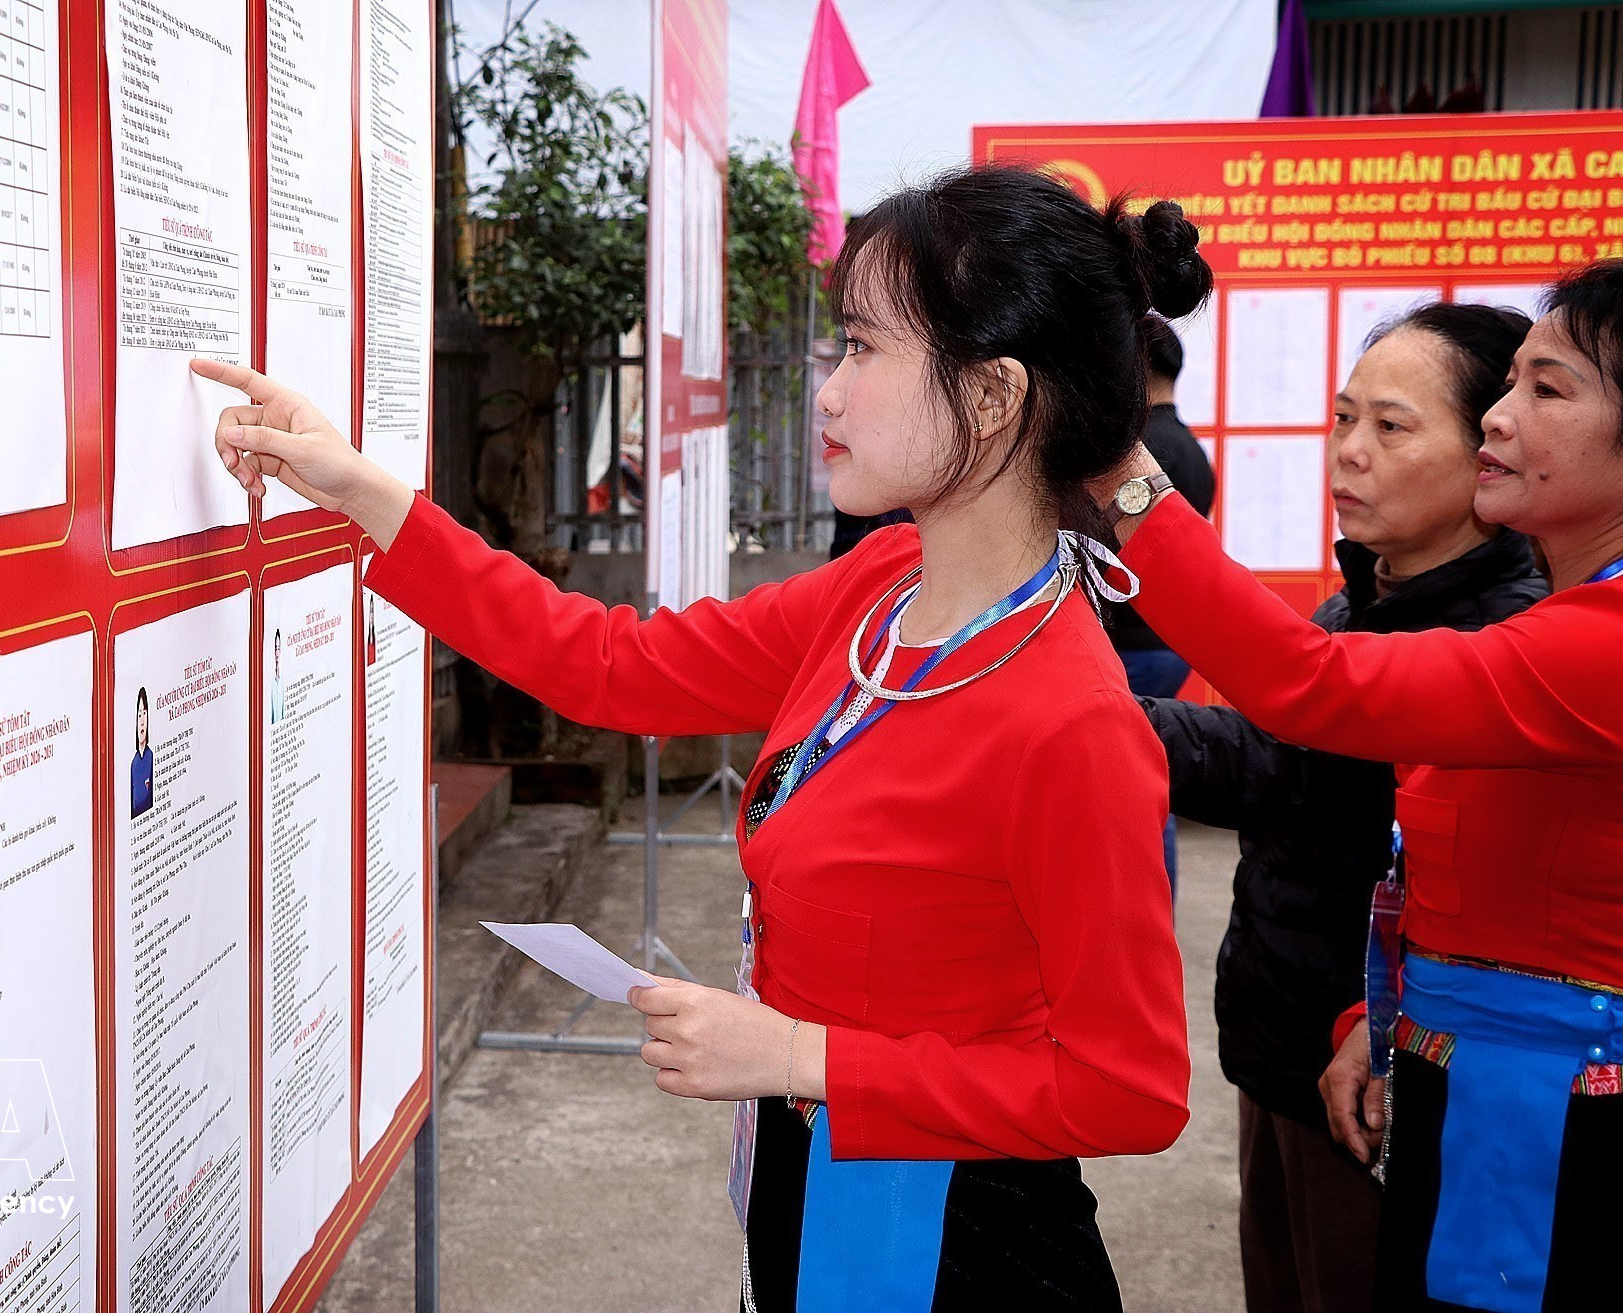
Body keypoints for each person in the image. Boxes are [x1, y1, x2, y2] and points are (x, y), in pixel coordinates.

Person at [197, 163, 1207, 1310]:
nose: (826, 392)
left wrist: (800, 1057)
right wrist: (362, 491)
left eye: (866, 350)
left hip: (958, 1242)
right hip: (800, 1176)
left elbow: (1130, 1087)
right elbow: (610, 662)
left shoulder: (1070, 720)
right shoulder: (878, 584)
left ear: (991, 398)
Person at [1093, 262, 1623, 1312]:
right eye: (1507, 384)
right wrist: (1378, 1016)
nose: (1499, 422)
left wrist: (1118, 475)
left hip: (1545, 1112)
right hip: (1442, 1078)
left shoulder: (1589, 643)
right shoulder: (1519, 620)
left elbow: (1302, 695)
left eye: (1546, 390)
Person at [1112, 315, 1216, 893]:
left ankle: (1147, 901)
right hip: (1168, 640)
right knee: (1152, 772)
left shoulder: (1138, 452)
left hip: (1129, 640)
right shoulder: (1193, 450)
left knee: (1136, 781)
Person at [129, 688, 154, 819]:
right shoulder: (134, 764)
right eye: (139, 715)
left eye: (144, 713)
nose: (142, 721)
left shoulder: (151, 758)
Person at [269, 629, 286, 724]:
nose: (277, 653)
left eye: (279, 648)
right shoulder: (271, 679)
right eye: (275, 648)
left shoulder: (283, 678)